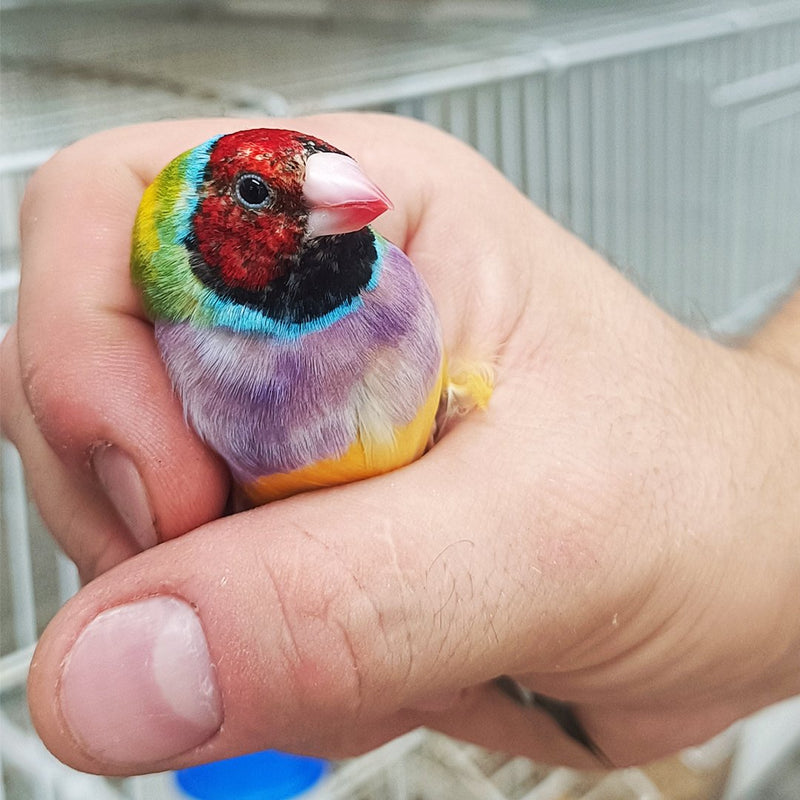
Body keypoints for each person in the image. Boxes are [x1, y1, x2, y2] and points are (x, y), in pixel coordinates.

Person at [1, 114, 798, 777]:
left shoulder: (393, 278)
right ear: (196, 232)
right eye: (256, 193)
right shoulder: (199, 362)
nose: (342, 193)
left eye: (325, 171)